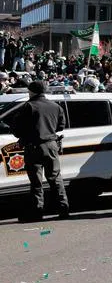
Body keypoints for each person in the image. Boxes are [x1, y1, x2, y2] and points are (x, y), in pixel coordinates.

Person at [8, 81, 69, 221]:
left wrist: (27, 134)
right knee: (55, 178)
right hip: (51, 145)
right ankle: (63, 209)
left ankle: (37, 211)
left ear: (32, 91)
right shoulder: (55, 106)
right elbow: (61, 126)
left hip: (33, 147)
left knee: (36, 181)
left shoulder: (28, 106)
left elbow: (16, 128)